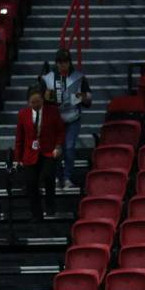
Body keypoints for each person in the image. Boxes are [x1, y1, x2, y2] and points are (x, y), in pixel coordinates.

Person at [39, 48, 91, 191]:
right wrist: (48, 98)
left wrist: (81, 97)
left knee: (69, 148)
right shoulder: (47, 78)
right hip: (55, 120)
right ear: (56, 63)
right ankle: (56, 177)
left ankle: (67, 177)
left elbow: (88, 98)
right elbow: (40, 98)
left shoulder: (78, 77)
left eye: (65, 62)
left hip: (72, 118)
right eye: (60, 62)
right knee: (56, 150)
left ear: (69, 62)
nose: (63, 65)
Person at [13, 85, 60, 220]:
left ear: (42, 100)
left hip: (48, 151)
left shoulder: (53, 111)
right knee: (31, 183)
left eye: (38, 101)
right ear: (28, 102)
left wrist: (58, 146)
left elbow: (60, 131)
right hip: (30, 153)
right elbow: (19, 138)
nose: (36, 104)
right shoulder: (23, 114)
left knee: (49, 176)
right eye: (33, 102)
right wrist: (17, 159)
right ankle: (36, 213)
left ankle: (50, 206)